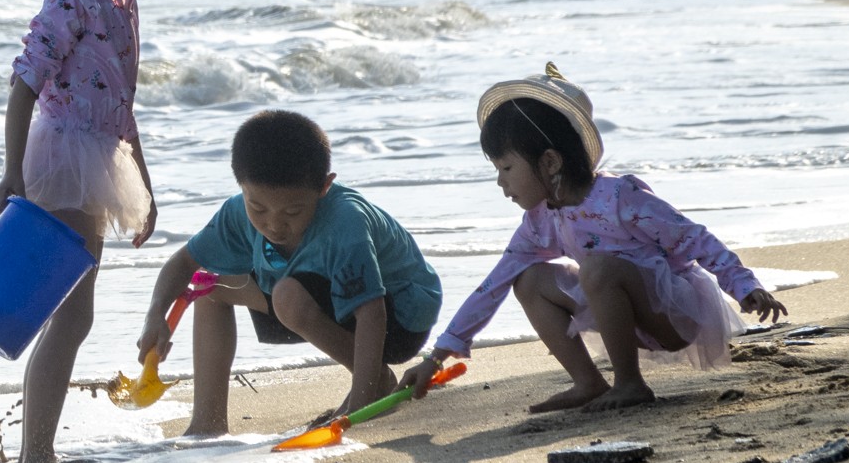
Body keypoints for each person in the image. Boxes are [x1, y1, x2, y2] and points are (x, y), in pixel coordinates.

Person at [401, 63, 788, 412]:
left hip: (673, 313)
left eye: (506, 167)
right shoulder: (542, 220)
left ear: (550, 162)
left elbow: (692, 238)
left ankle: (630, 383)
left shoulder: (621, 197)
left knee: (600, 267)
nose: (500, 181)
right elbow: (492, 286)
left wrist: (743, 285)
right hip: (619, 314)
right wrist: (436, 358)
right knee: (527, 278)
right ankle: (588, 382)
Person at [0, 0, 165, 463]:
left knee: (74, 313)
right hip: (63, 161)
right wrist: (11, 171)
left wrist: (144, 187)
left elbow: (124, 103)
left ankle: (36, 450)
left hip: (101, 161)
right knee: (70, 314)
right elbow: (24, 82)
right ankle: (35, 455)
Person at [138, 110, 443, 434]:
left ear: (325, 187)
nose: (274, 224)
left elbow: (372, 313)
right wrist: (155, 314)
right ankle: (206, 425)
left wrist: (357, 412)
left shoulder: (345, 222)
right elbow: (183, 263)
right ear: (242, 188)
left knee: (287, 295)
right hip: (317, 298)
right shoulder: (237, 212)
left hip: (401, 316)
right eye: (258, 208)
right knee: (208, 285)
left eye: (293, 211)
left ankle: (375, 382)